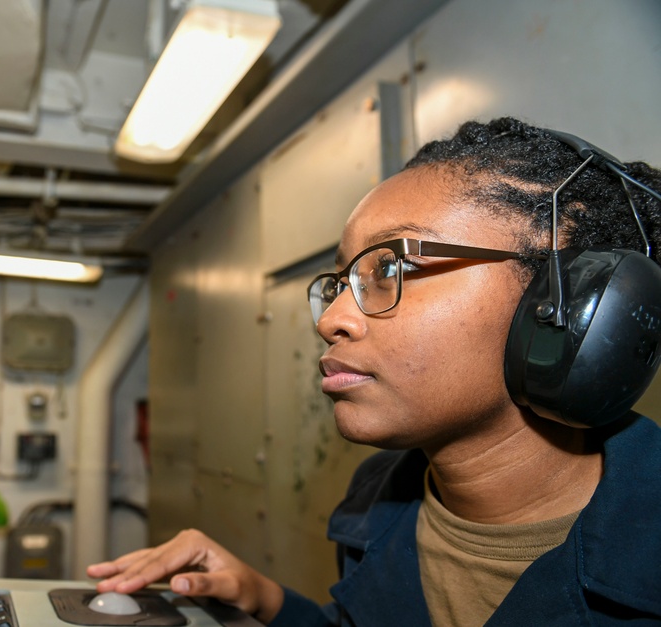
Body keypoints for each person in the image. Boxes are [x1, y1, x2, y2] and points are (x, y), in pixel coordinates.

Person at [86, 117, 661, 626]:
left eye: (391, 266)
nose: (332, 319)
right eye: (339, 283)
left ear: (565, 302)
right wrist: (262, 601)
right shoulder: (376, 500)